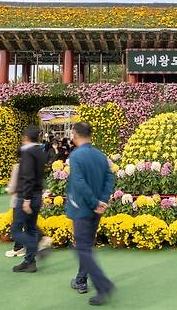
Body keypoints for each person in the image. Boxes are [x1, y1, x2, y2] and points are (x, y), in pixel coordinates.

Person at [66, 122, 115, 306]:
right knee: (85, 246)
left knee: (82, 248)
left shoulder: (76, 155)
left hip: (82, 208)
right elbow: (110, 177)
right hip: (96, 208)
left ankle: (103, 285)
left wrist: (95, 203)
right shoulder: (100, 155)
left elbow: (78, 182)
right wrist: (102, 200)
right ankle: (81, 279)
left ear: (75, 134)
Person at [10, 126, 47, 273]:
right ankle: (30, 262)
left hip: (27, 196)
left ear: (26, 137)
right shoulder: (39, 151)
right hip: (37, 195)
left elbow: (28, 176)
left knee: (16, 230)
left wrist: (26, 199)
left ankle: (36, 248)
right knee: (31, 229)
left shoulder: (28, 153)